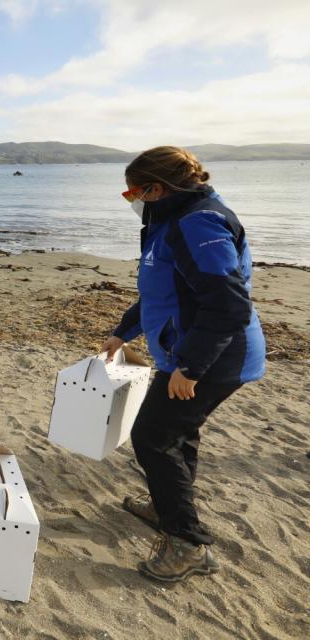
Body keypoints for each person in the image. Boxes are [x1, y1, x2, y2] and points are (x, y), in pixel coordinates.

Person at [102, 146, 265, 582]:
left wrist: (191, 368)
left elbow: (229, 306)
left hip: (214, 356)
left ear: (156, 188)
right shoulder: (169, 220)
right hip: (192, 351)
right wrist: (123, 331)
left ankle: (187, 544)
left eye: (133, 192)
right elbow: (162, 289)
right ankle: (164, 504)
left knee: (152, 436)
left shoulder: (199, 223)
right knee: (176, 431)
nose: (132, 201)